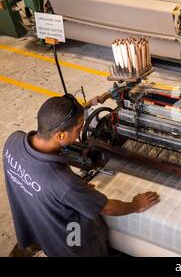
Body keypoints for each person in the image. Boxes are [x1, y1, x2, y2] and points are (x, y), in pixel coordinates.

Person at [2, 94, 160, 256]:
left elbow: (38, 181)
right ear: (60, 135)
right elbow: (107, 208)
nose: (79, 134)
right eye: (78, 130)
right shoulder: (62, 183)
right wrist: (135, 205)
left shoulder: (13, 142)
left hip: (39, 226)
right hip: (71, 243)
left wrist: (74, 190)